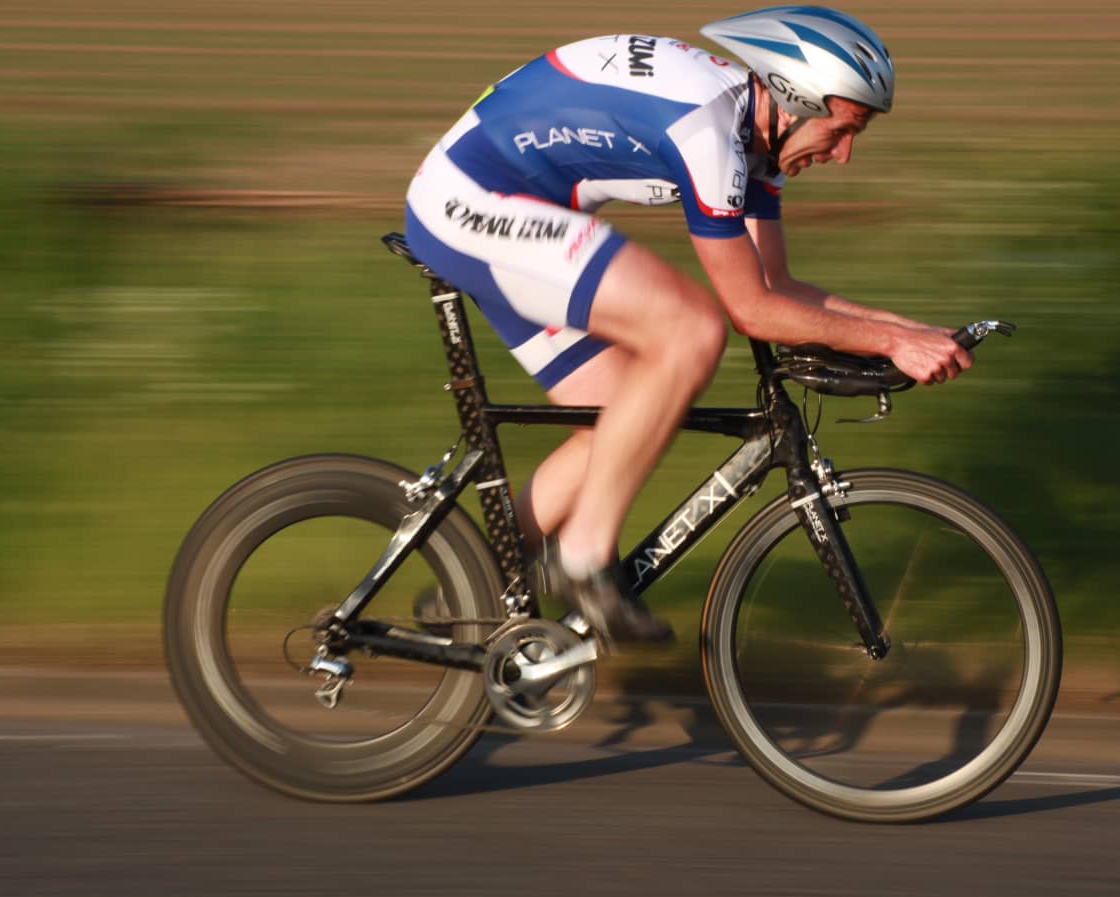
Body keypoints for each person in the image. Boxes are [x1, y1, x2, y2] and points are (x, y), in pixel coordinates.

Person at [403, 6, 972, 645]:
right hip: (471, 202)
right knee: (692, 329)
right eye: (843, 130)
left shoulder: (754, 140)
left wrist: (913, 332)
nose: (842, 155)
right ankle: (584, 560)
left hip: (513, 209)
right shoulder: (710, 130)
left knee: (625, 412)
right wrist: (893, 342)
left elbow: (778, 289)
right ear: (795, 100)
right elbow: (749, 311)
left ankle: (471, 579)